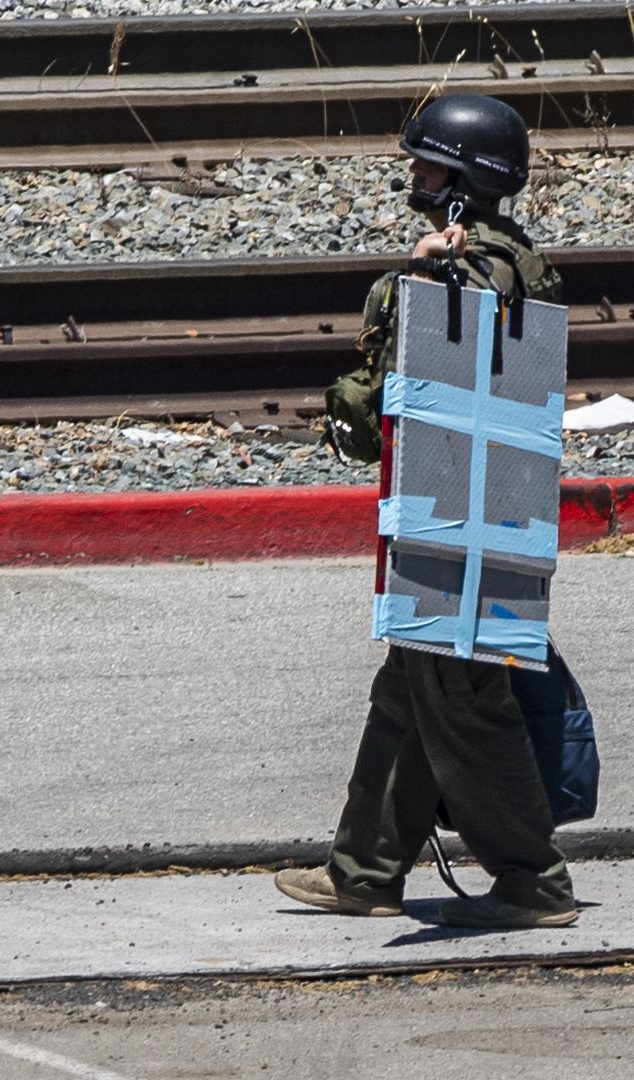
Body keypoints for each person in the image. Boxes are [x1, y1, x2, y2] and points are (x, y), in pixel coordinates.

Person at [279, 95, 574, 930]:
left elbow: (403, 395)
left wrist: (411, 281)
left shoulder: (464, 271)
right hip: (473, 511)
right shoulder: (512, 259)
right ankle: (364, 873)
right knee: (408, 695)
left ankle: (533, 879)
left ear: (464, 177)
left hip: (462, 519)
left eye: (428, 161)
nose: (414, 172)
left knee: (463, 698)